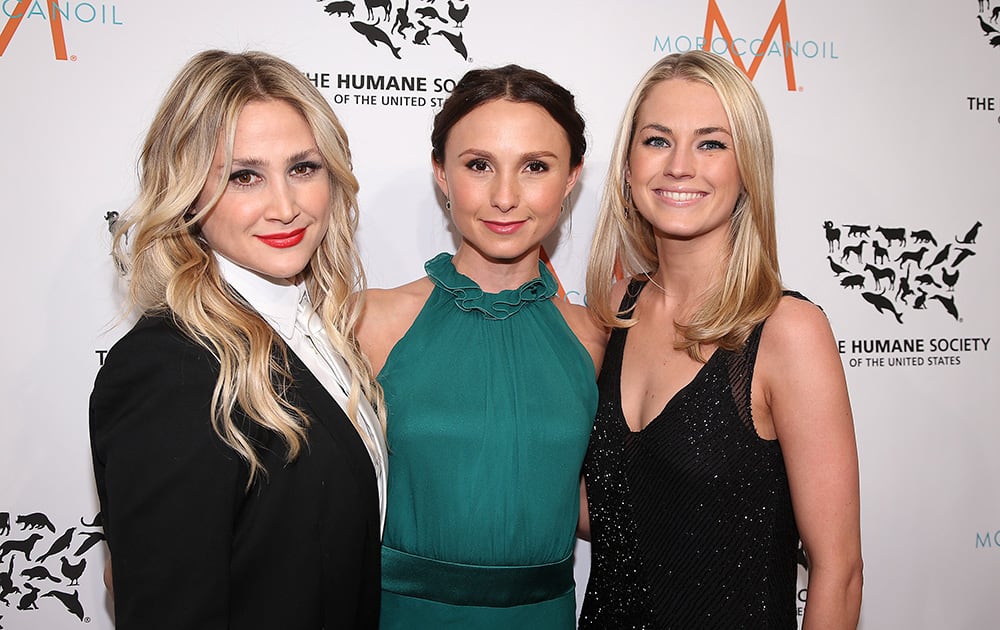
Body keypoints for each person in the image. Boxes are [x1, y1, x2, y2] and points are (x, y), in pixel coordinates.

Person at [89, 49, 386, 630]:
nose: (286, 207)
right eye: (242, 176)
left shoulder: (322, 332)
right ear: (187, 191)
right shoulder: (168, 367)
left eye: (303, 168)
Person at [580, 50, 863, 629]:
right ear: (629, 166)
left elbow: (838, 570)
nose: (680, 165)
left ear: (748, 166)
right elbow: (611, 510)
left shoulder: (786, 332)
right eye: (657, 140)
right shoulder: (613, 316)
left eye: (711, 143)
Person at [355, 65, 605, 628]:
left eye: (535, 167)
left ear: (571, 179)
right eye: (479, 165)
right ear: (442, 174)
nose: (505, 197)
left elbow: (605, 501)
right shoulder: (370, 320)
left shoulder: (594, 338)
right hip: (400, 615)